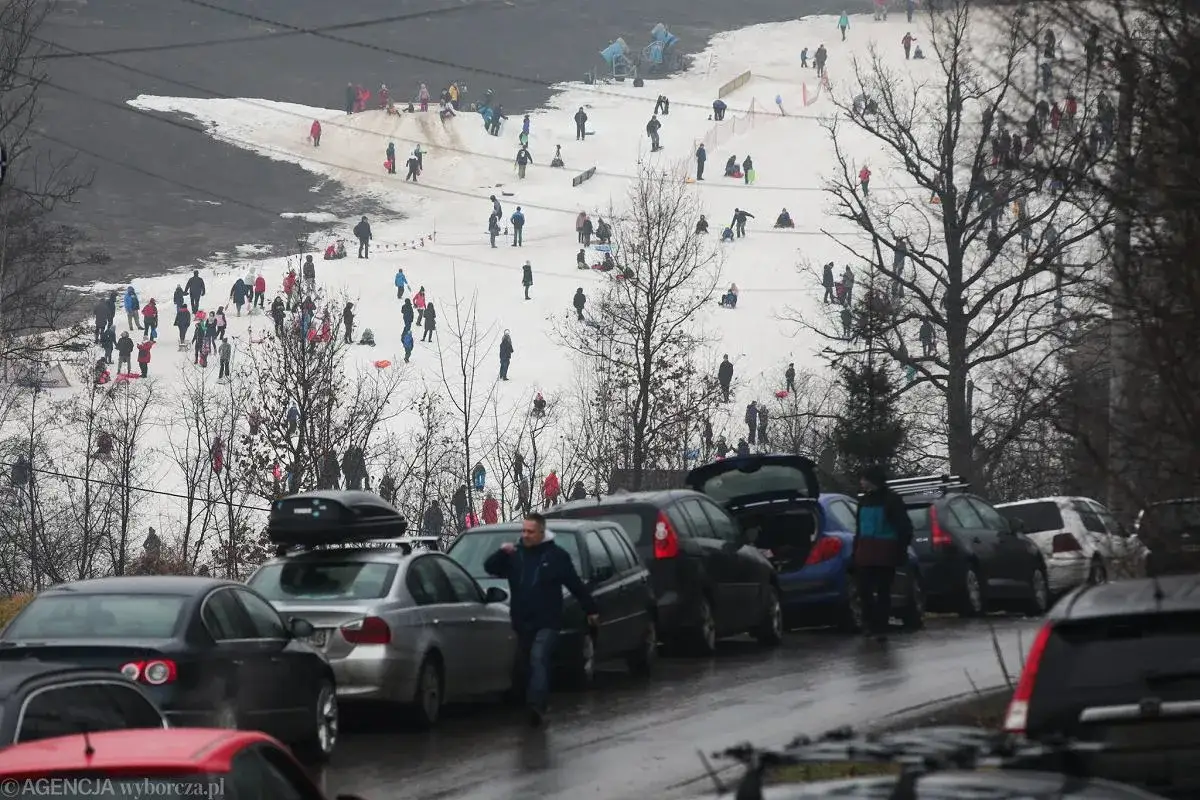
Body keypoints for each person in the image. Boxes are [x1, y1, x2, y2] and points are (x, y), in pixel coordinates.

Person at [484, 513, 598, 726]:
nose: (526, 535)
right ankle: (526, 701)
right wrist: (502, 552)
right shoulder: (515, 555)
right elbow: (489, 567)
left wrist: (591, 610)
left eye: (531, 532)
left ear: (542, 533)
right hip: (522, 620)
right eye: (524, 531)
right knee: (524, 664)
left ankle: (536, 705)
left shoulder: (556, 556)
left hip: (548, 620)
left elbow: (575, 584)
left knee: (539, 657)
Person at [853, 466, 914, 642]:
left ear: (872, 480)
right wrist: (855, 550)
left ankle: (880, 626)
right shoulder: (863, 501)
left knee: (883, 590)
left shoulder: (892, 500)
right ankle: (869, 623)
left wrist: (900, 550)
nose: (861, 482)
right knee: (864, 590)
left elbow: (904, 527)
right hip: (865, 551)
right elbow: (859, 528)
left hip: (885, 551)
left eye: (864, 479)